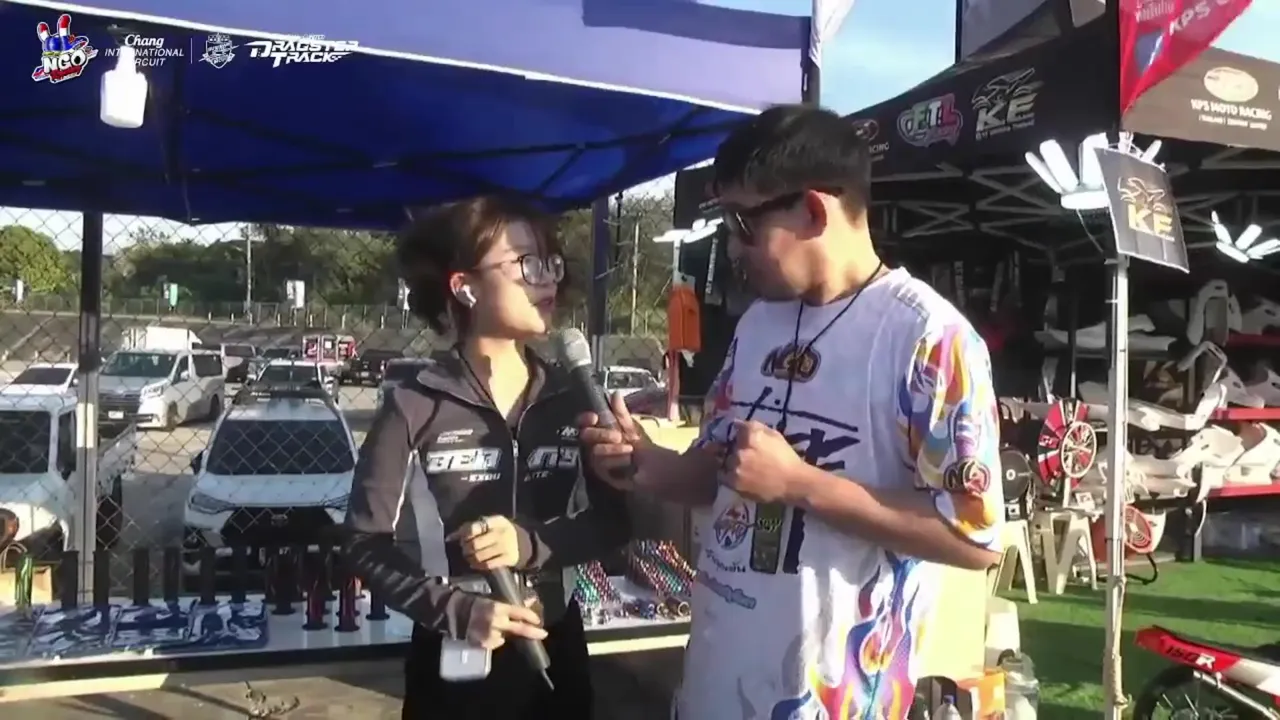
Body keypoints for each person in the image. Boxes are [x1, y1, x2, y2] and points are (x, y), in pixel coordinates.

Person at [578, 105, 1005, 719]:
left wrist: (800, 484)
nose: (732, 246)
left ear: (812, 211)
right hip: (712, 686)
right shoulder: (757, 323)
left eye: (742, 222)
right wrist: (645, 463)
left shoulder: (928, 338)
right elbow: (720, 473)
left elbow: (973, 536)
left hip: (834, 699)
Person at [343, 196, 630, 720]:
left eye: (551, 263)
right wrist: (455, 611)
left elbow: (612, 524)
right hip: (456, 660)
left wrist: (527, 544)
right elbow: (364, 543)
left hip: (558, 646)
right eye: (525, 263)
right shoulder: (413, 404)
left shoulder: (571, 396)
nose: (547, 280)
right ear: (465, 287)